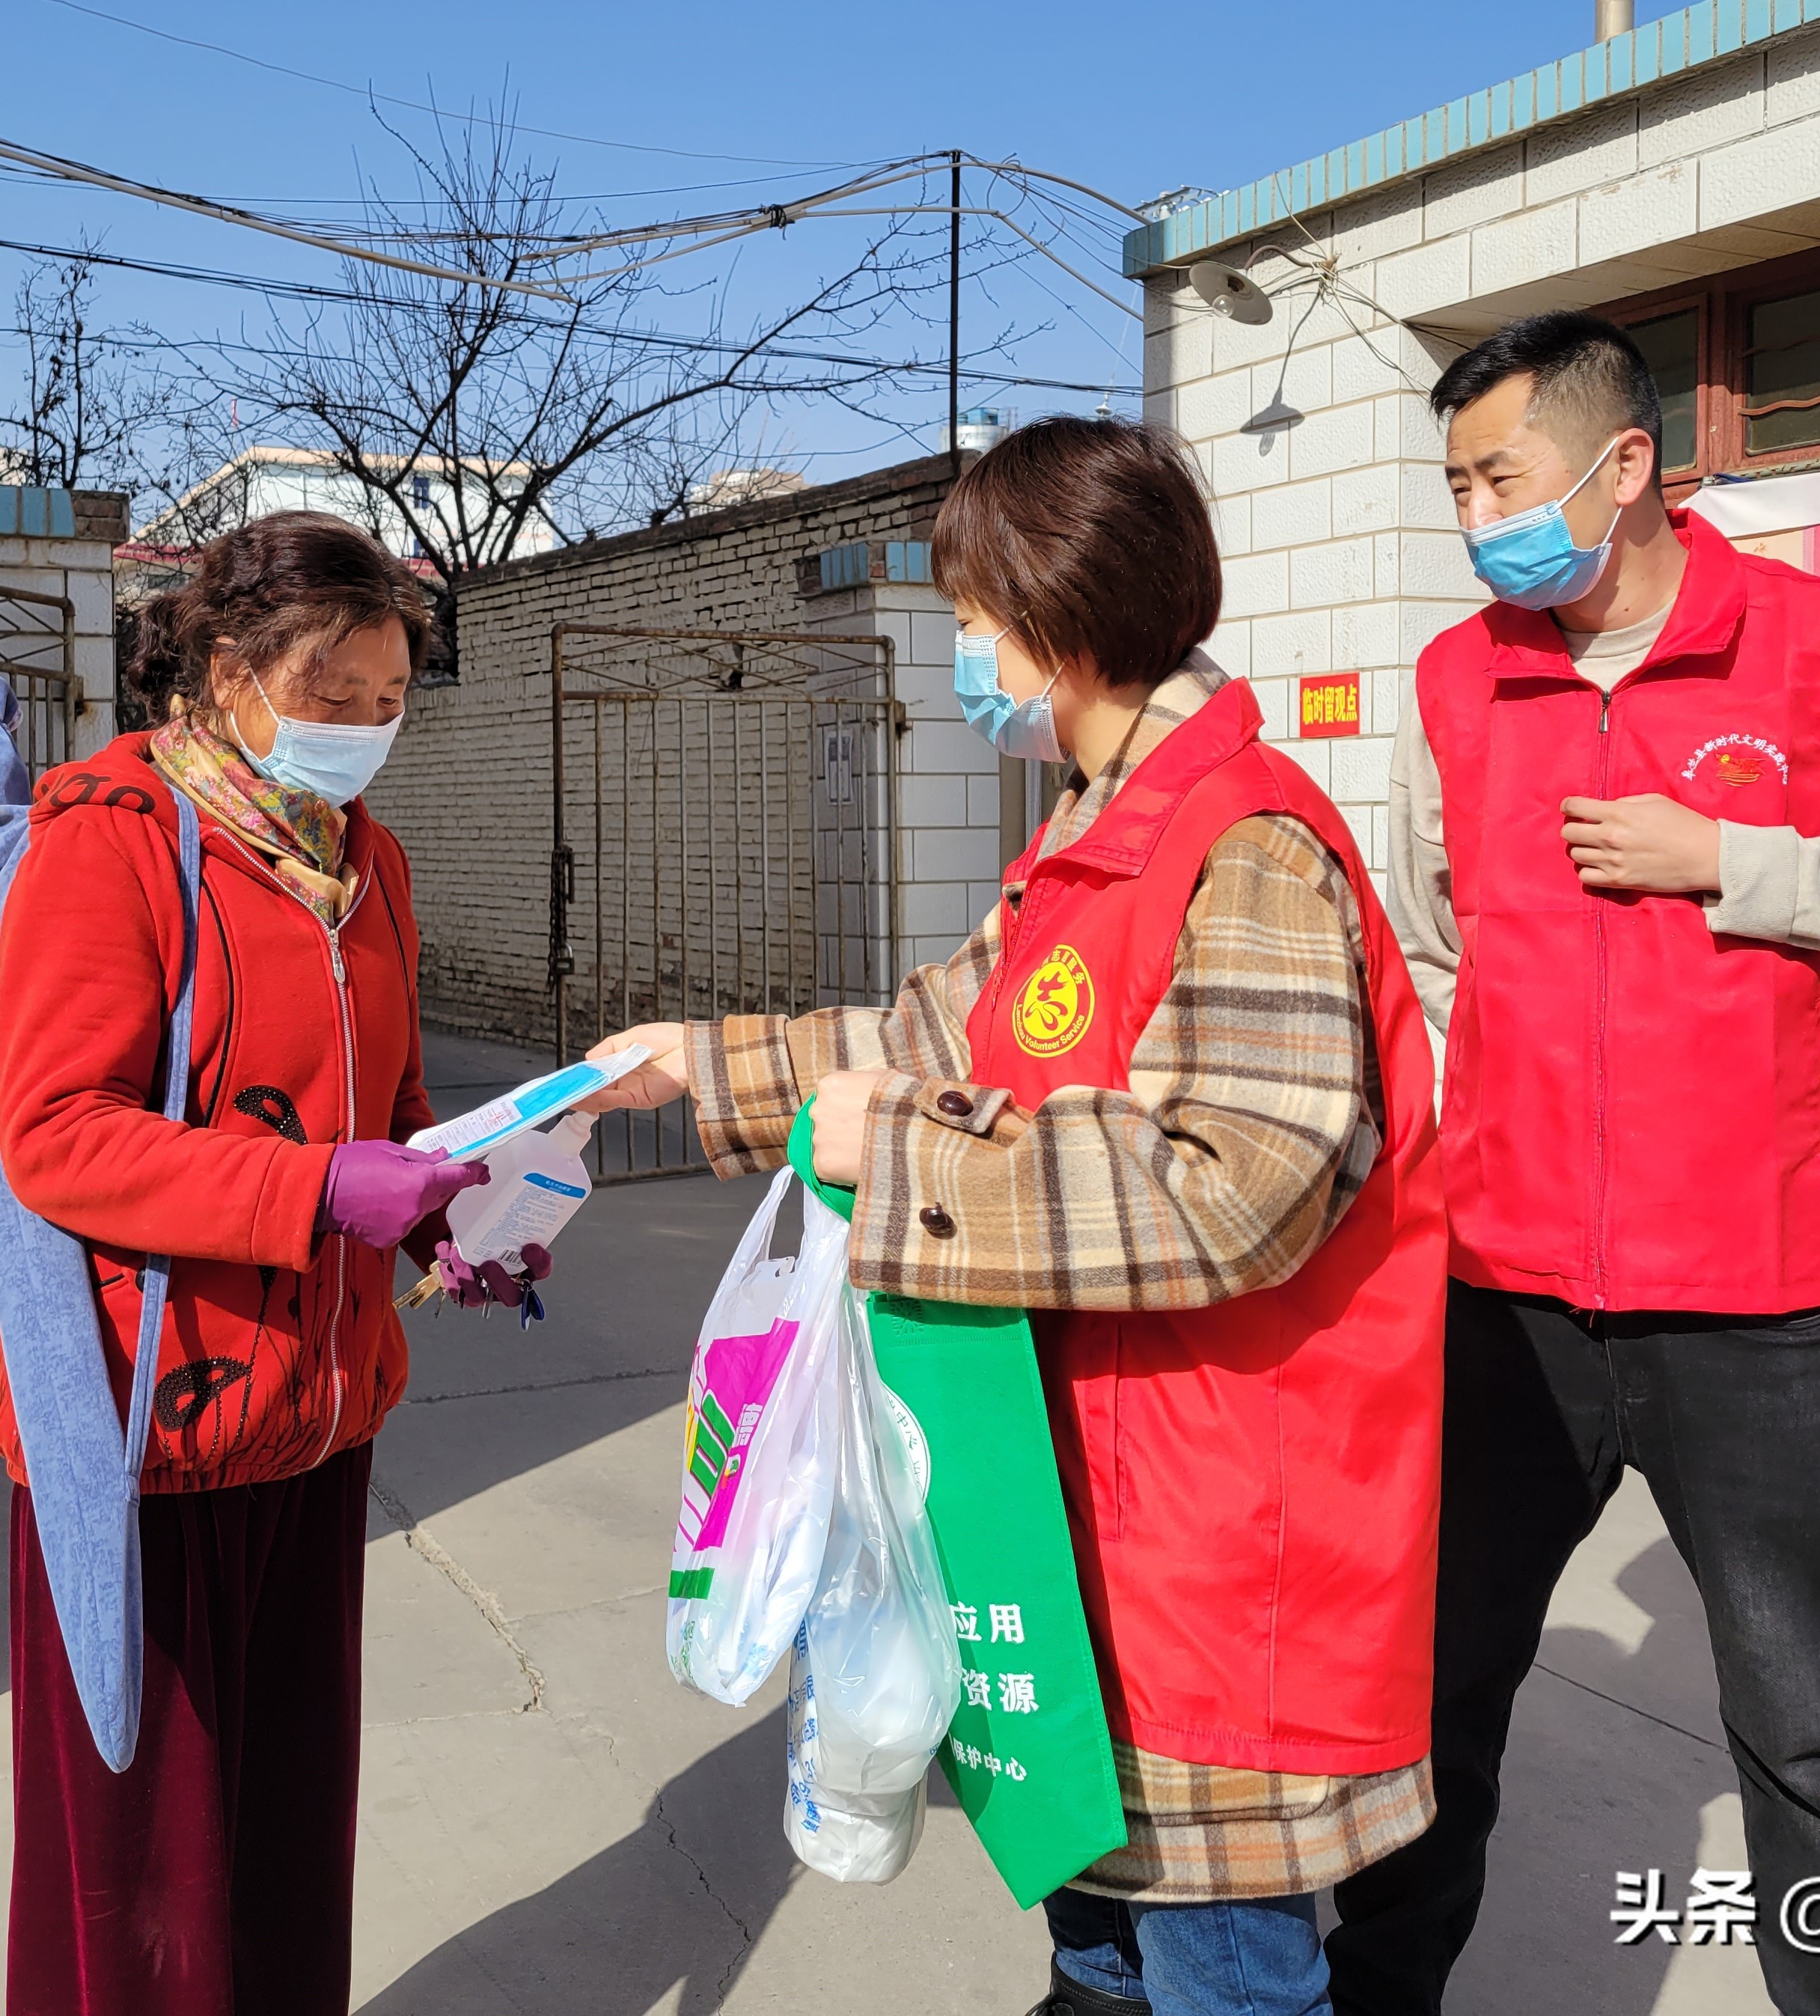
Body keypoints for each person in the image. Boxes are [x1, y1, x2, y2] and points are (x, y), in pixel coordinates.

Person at [585, 417, 1448, 2016]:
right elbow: (929, 1041)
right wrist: (684, 1066)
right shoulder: (1088, 832)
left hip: (1211, 1520)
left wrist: (911, 1159)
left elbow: (1237, 1185)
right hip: (1079, 1504)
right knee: (1099, 1935)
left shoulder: (1246, 846)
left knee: (1219, 1965)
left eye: (975, 620)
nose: (967, 654)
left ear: (1058, 622)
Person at [1322, 312, 1820, 2016]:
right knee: (1433, 1704)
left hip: (1756, 1312)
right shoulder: (1457, 679)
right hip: (1507, 1304)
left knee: (1812, 1739)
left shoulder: (1814, 648)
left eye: (1499, 475)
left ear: (1622, 463)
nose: (1477, 514)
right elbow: (1436, 957)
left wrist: (1743, 859)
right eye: (1457, 484)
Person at [0, 511, 536, 2016]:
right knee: (146, 1890)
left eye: (389, 704)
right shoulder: (109, 841)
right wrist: (314, 1192)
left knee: (288, 1850)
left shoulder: (372, 865)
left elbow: (397, 1105)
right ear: (229, 669)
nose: (364, 732)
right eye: (333, 697)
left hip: (318, 1418)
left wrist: (446, 1206)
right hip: (137, 1438)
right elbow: (57, 1138)